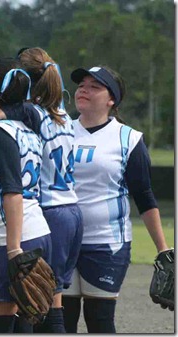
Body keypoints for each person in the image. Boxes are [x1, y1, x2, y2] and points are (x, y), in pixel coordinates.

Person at [0, 47, 83, 333]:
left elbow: (11, 190)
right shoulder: (59, 114)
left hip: (35, 214)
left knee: (21, 314)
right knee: (44, 305)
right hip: (62, 212)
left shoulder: (27, 115)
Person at [61, 66, 170, 333]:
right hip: (61, 239)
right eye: (81, 85)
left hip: (105, 242)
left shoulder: (128, 139)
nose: (84, 90)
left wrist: (163, 249)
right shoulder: (59, 130)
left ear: (112, 99)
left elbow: (144, 196)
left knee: (99, 320)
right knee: (61, 320)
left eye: (94, 86)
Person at [0, 57, 51, 333]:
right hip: (36, 229)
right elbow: (22, 109)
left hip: (3, 237)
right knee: (22, 325)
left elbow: (12, 191)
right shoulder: (30, 125)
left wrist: (14, 249)